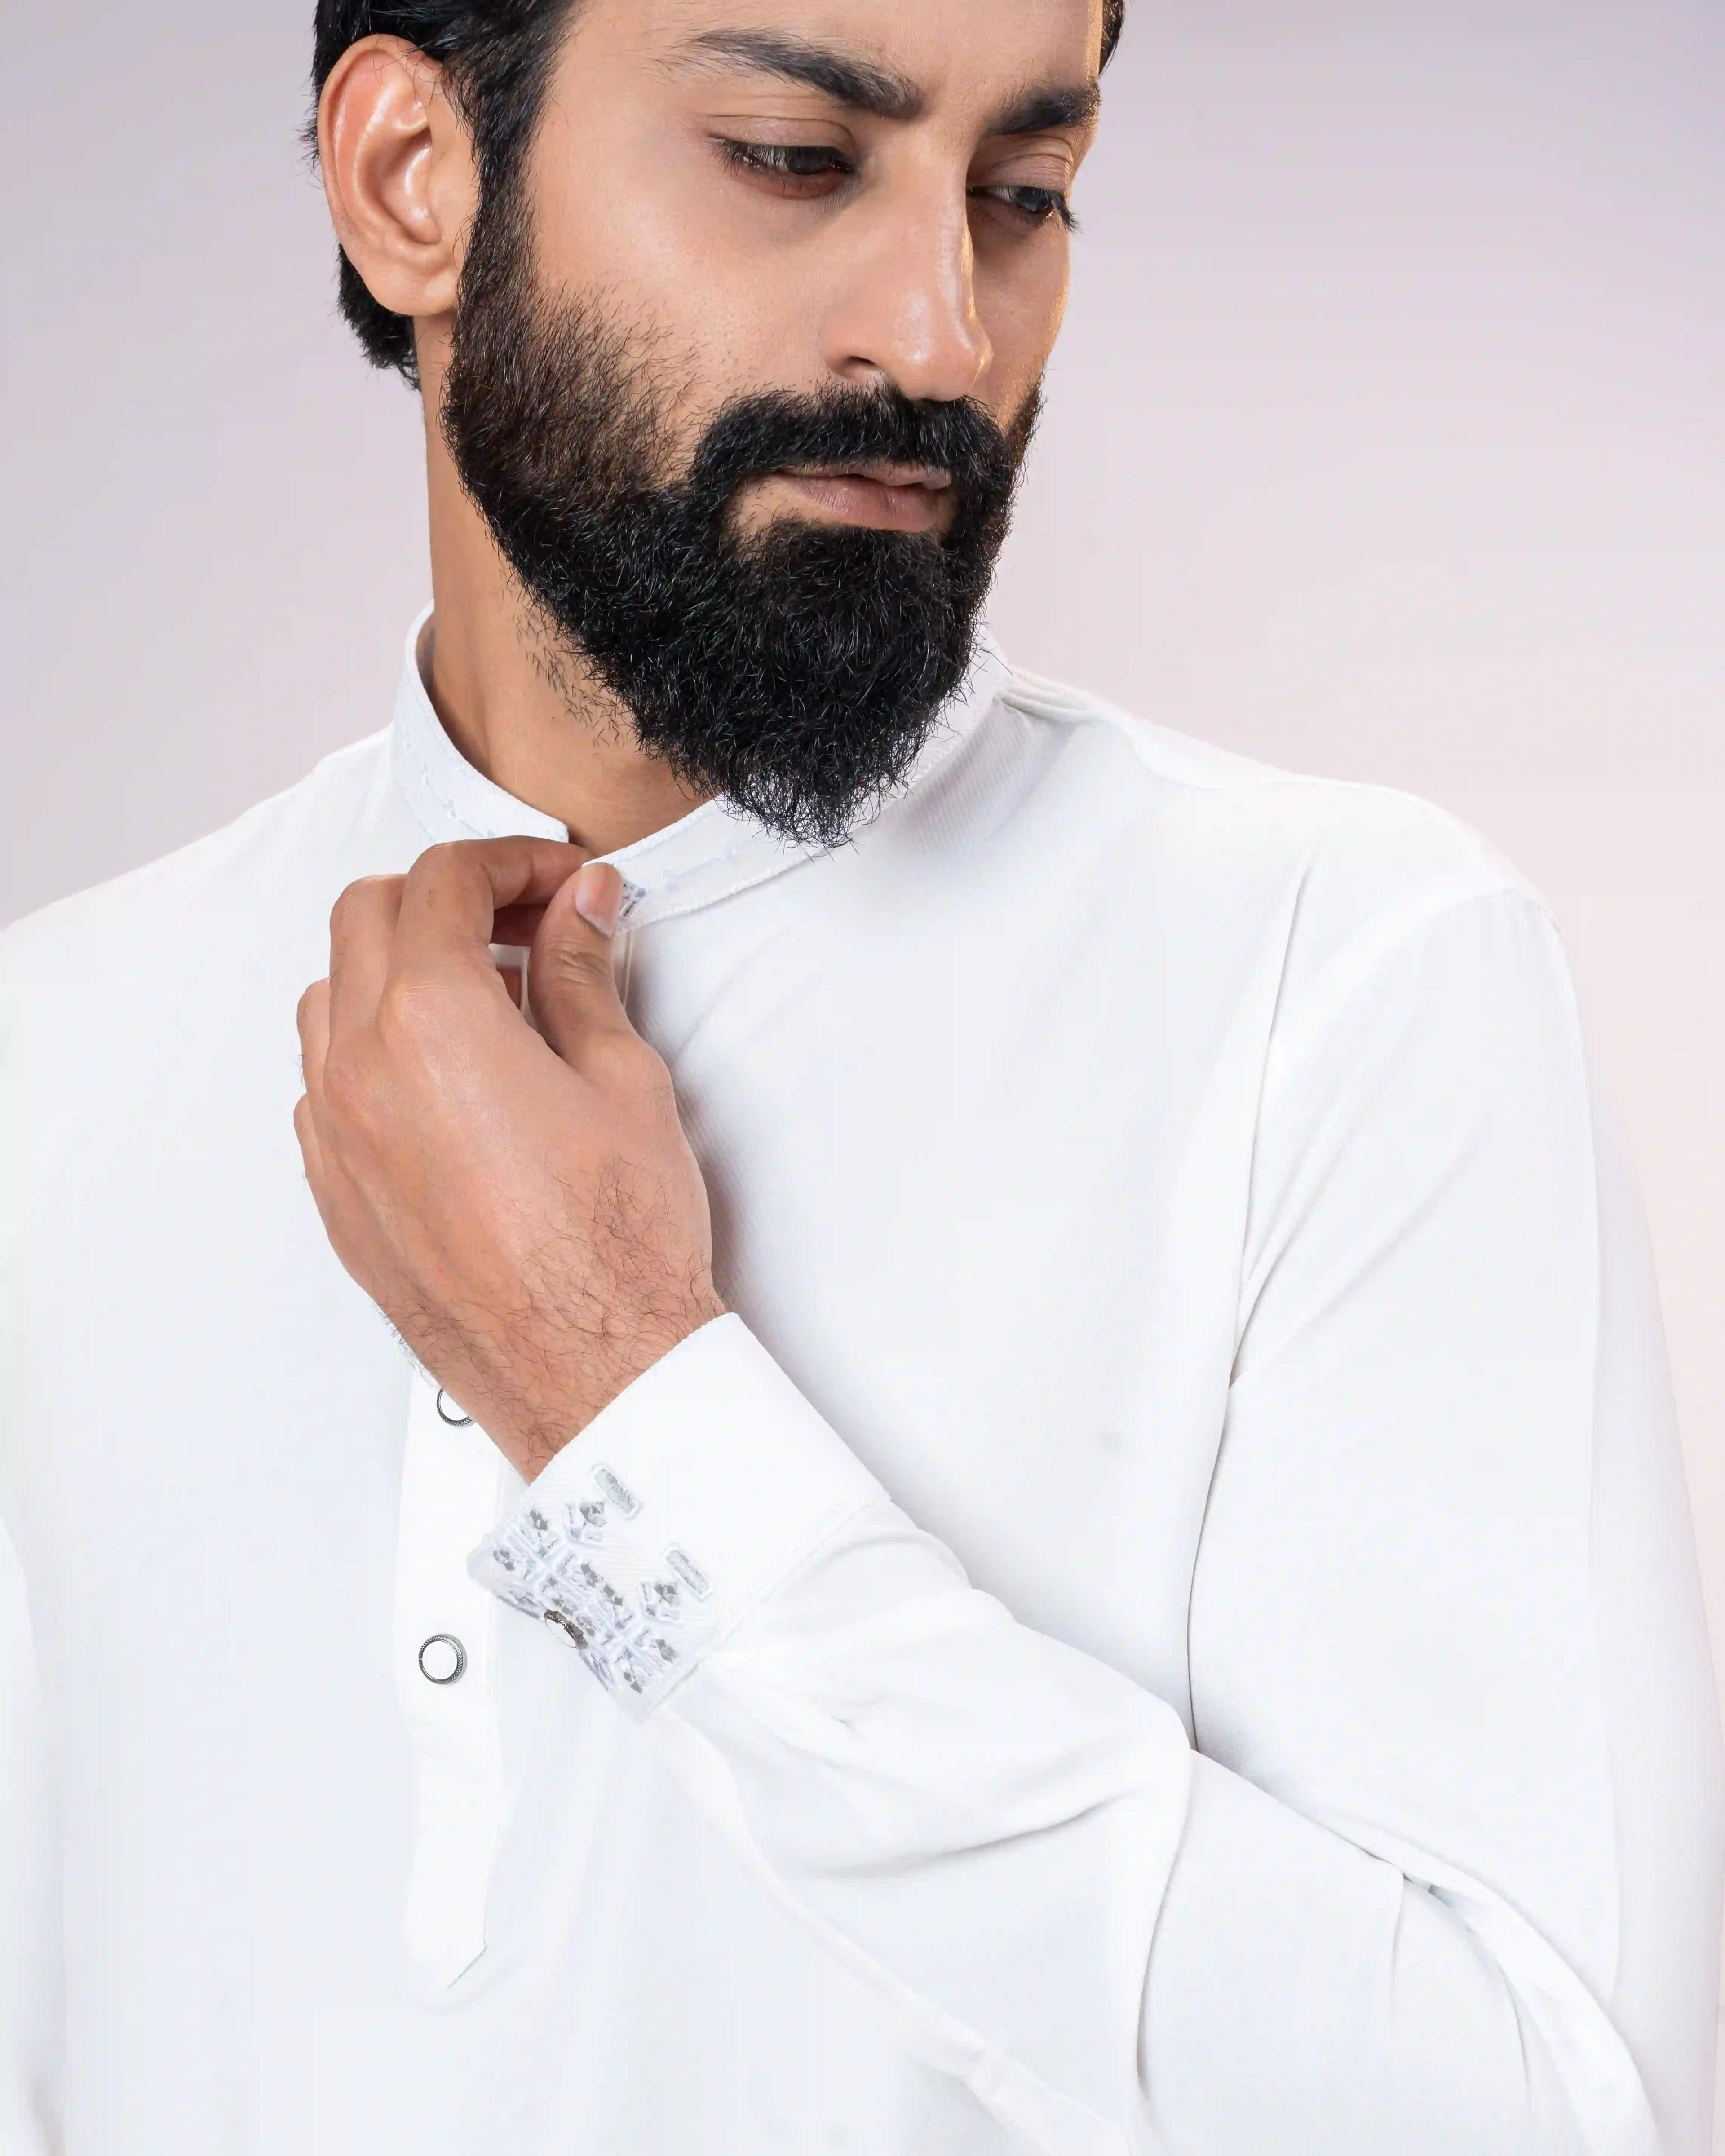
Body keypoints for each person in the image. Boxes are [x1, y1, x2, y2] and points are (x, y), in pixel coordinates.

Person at [2, 0, 1720, 2148]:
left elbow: (1543, 2117)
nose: (942, 336)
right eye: (796, 160)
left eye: (1024, 194)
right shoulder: (49, 1056)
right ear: (411, 180)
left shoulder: (1342, 980)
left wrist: (619, 1398)